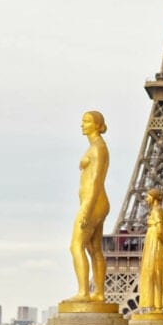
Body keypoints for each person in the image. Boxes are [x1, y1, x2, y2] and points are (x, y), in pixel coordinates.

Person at [66, 110, 111, 302]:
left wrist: (86, 208)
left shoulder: (97, 148)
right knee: (94, 248)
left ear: (97, 125)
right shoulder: (97, 146)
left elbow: (95, 181)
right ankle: (99, 293)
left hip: (92, 203)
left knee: (76, 245)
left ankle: (84, 292)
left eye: (86, 121)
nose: (82, 124)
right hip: (98, 202)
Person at [138, 187, 163, 312]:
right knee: (153, 274)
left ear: (154, 197)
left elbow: (160, 231)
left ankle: (156, 306)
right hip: (152, 243)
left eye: (148, 196)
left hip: (154, 246)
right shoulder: (155, 211)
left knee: (153, 273)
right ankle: (155, 305)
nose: (146, 199)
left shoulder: (157, 211)